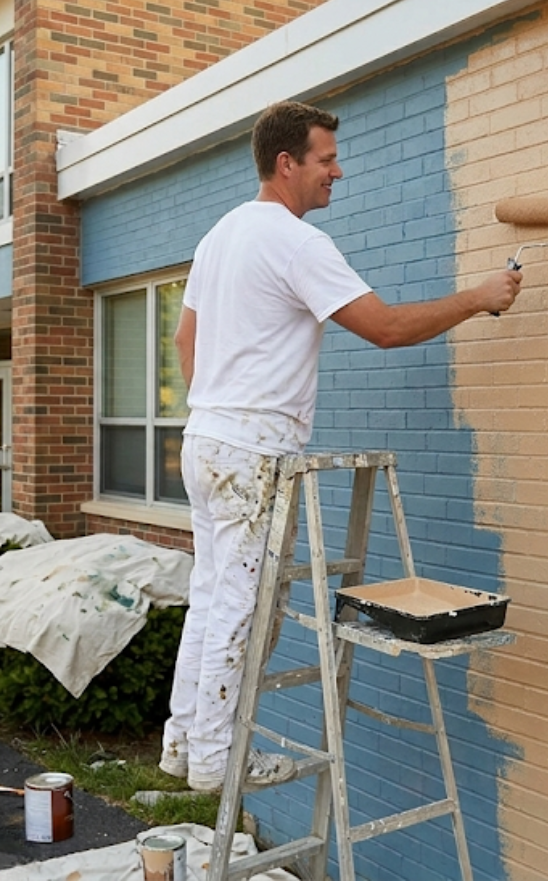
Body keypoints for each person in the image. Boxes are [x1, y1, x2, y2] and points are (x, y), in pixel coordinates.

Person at [161, 100, 522, 793]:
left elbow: (185, 342)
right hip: (252, 450)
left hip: (206, 442)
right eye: (326, 159)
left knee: (210, 596)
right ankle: (213, 760)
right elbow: (383, 328)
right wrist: (479, 297)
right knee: (242, 605)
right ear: (287, 162)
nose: (338, 171)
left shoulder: (222, 234)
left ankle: (185, 740)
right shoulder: (296, 243)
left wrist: (219, 410)